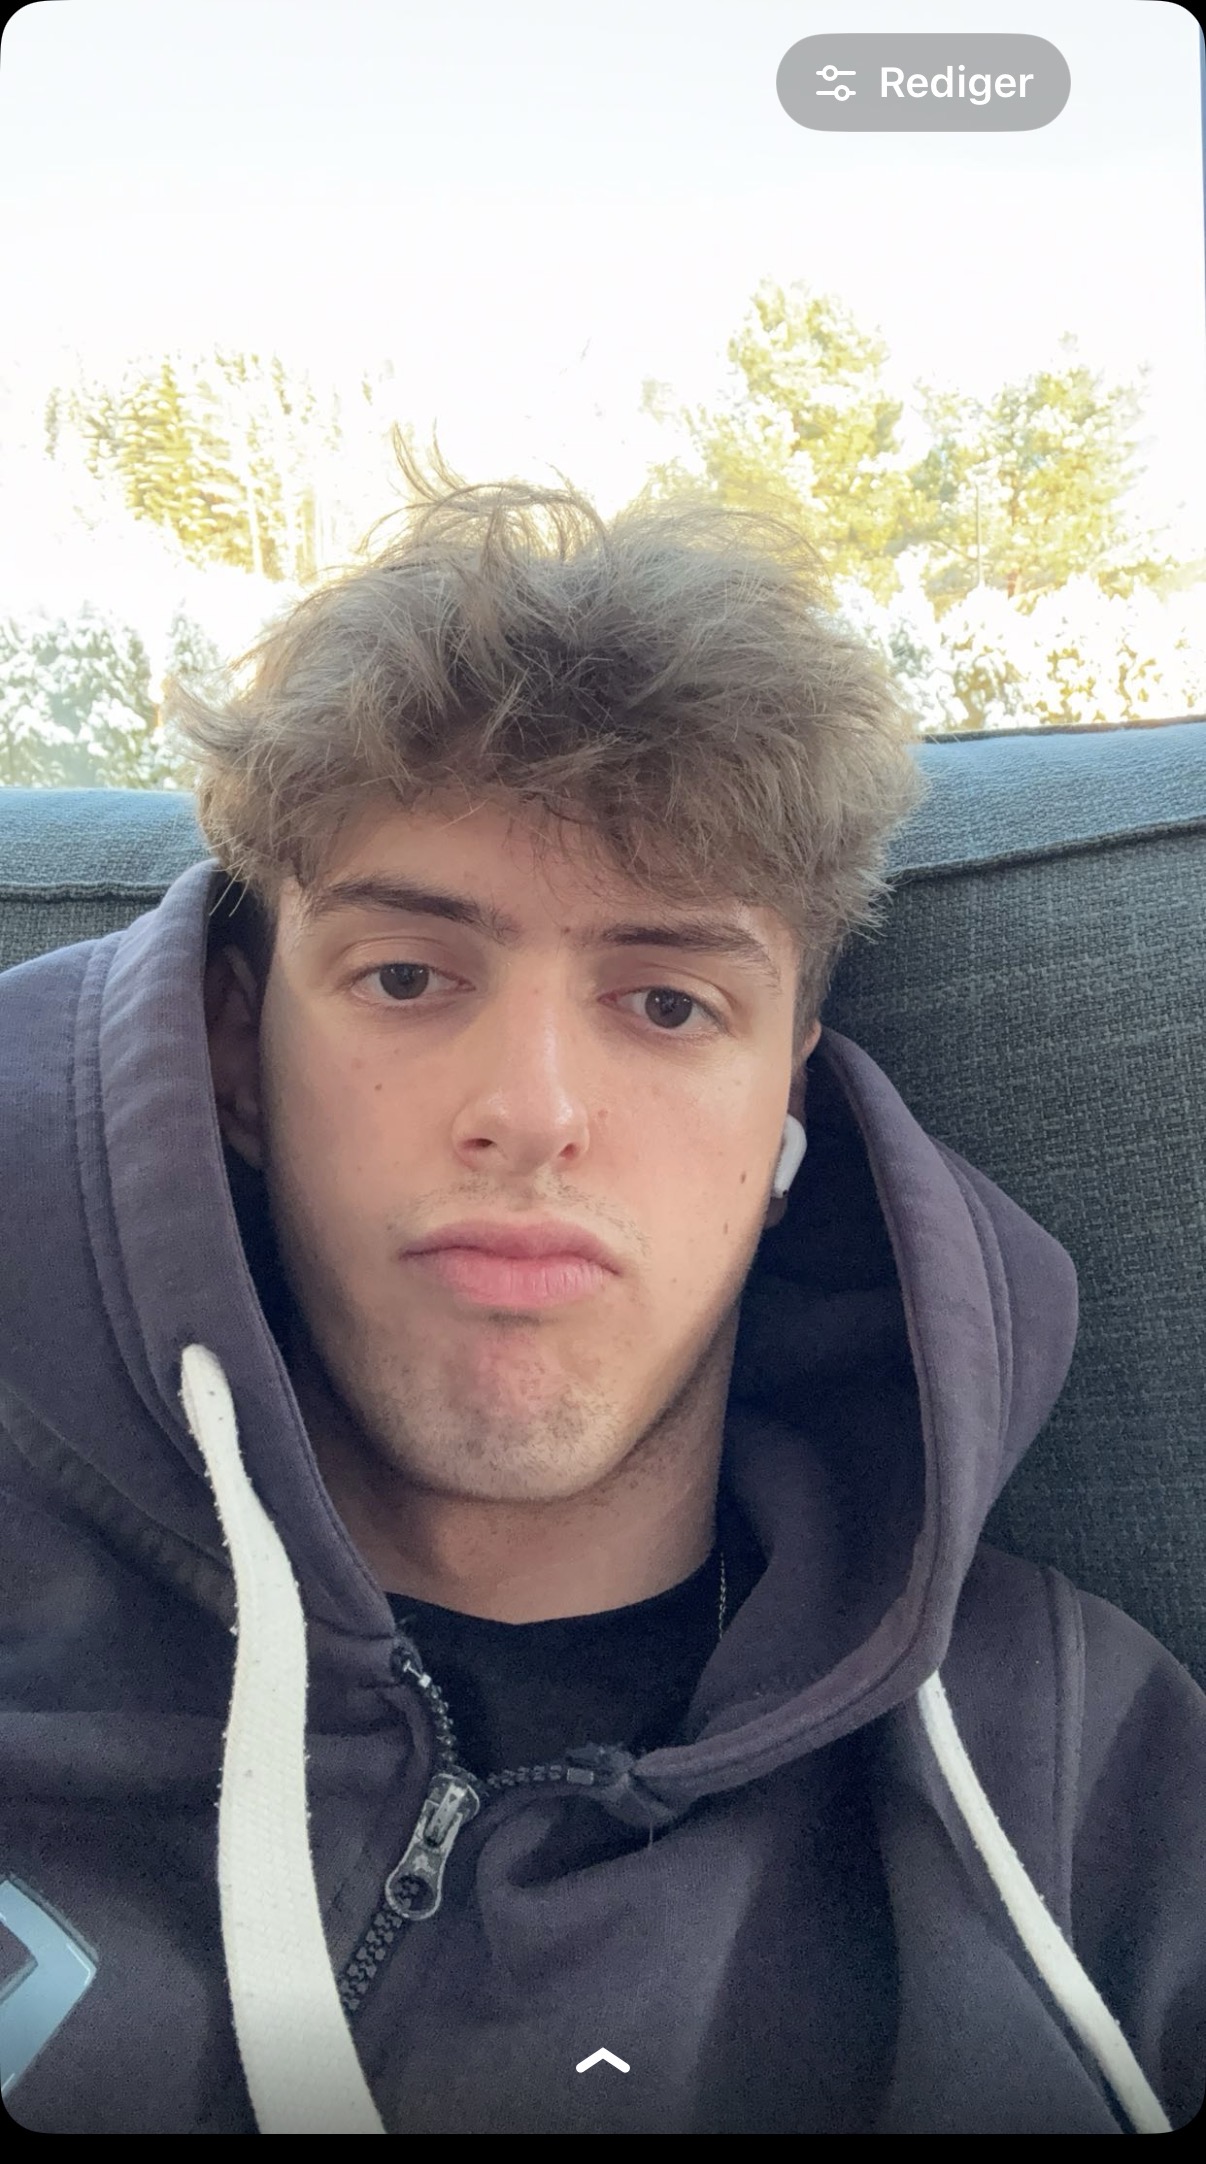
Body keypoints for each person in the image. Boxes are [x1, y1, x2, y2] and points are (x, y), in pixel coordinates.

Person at [0, 456, 1202, 2137]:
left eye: (666, 1003)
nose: (535, 1110)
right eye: (406, 975)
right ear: (236, 1053)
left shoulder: (1085, 1775)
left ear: (786, 1105)